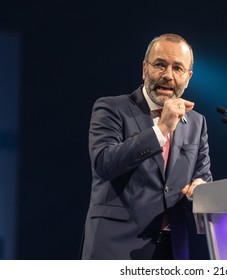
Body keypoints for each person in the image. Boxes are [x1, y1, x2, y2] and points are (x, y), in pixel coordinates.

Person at [81, 33, 212, 260]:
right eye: (160, 65)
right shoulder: (112, 108)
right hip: (116, 247)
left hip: (172, 250)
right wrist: (161, 130)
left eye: (178, 69)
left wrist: (199, 189)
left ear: (188, 77)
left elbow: (203, 179)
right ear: (144, 69)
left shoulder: (196, 122)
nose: (168, 76)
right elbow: (104, 163)